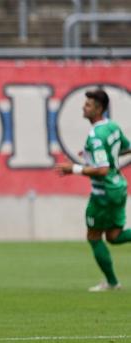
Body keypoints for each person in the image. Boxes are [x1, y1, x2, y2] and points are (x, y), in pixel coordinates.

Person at [56, 89, 131, 292]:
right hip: (119, 187)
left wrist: (75, 168)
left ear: (99, 109)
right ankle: (112, 283)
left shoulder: (96, 135)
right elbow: (125, 147)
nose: (83, 107)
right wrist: (90, 155)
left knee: (94, 236)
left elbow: (102, 169)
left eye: (88, 104)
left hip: (103, 193)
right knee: (114, 236)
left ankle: (112, 283)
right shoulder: (112, 127)